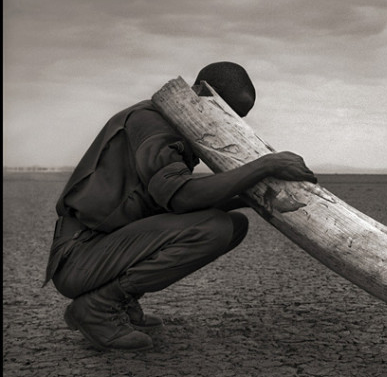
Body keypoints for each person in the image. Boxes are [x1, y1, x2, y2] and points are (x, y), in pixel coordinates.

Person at [44, 61, 316, 351]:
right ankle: (98, 307)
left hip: (101, 250)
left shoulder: (168, 123)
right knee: (214, 229)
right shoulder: (153, 124)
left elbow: (171, 204)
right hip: (81, 256)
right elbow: (182, 197)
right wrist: (265, 165)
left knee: (235, 225)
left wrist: (252, 198)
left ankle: (118, 301)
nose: (228, 124)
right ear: (200, 92)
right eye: (225, 112)